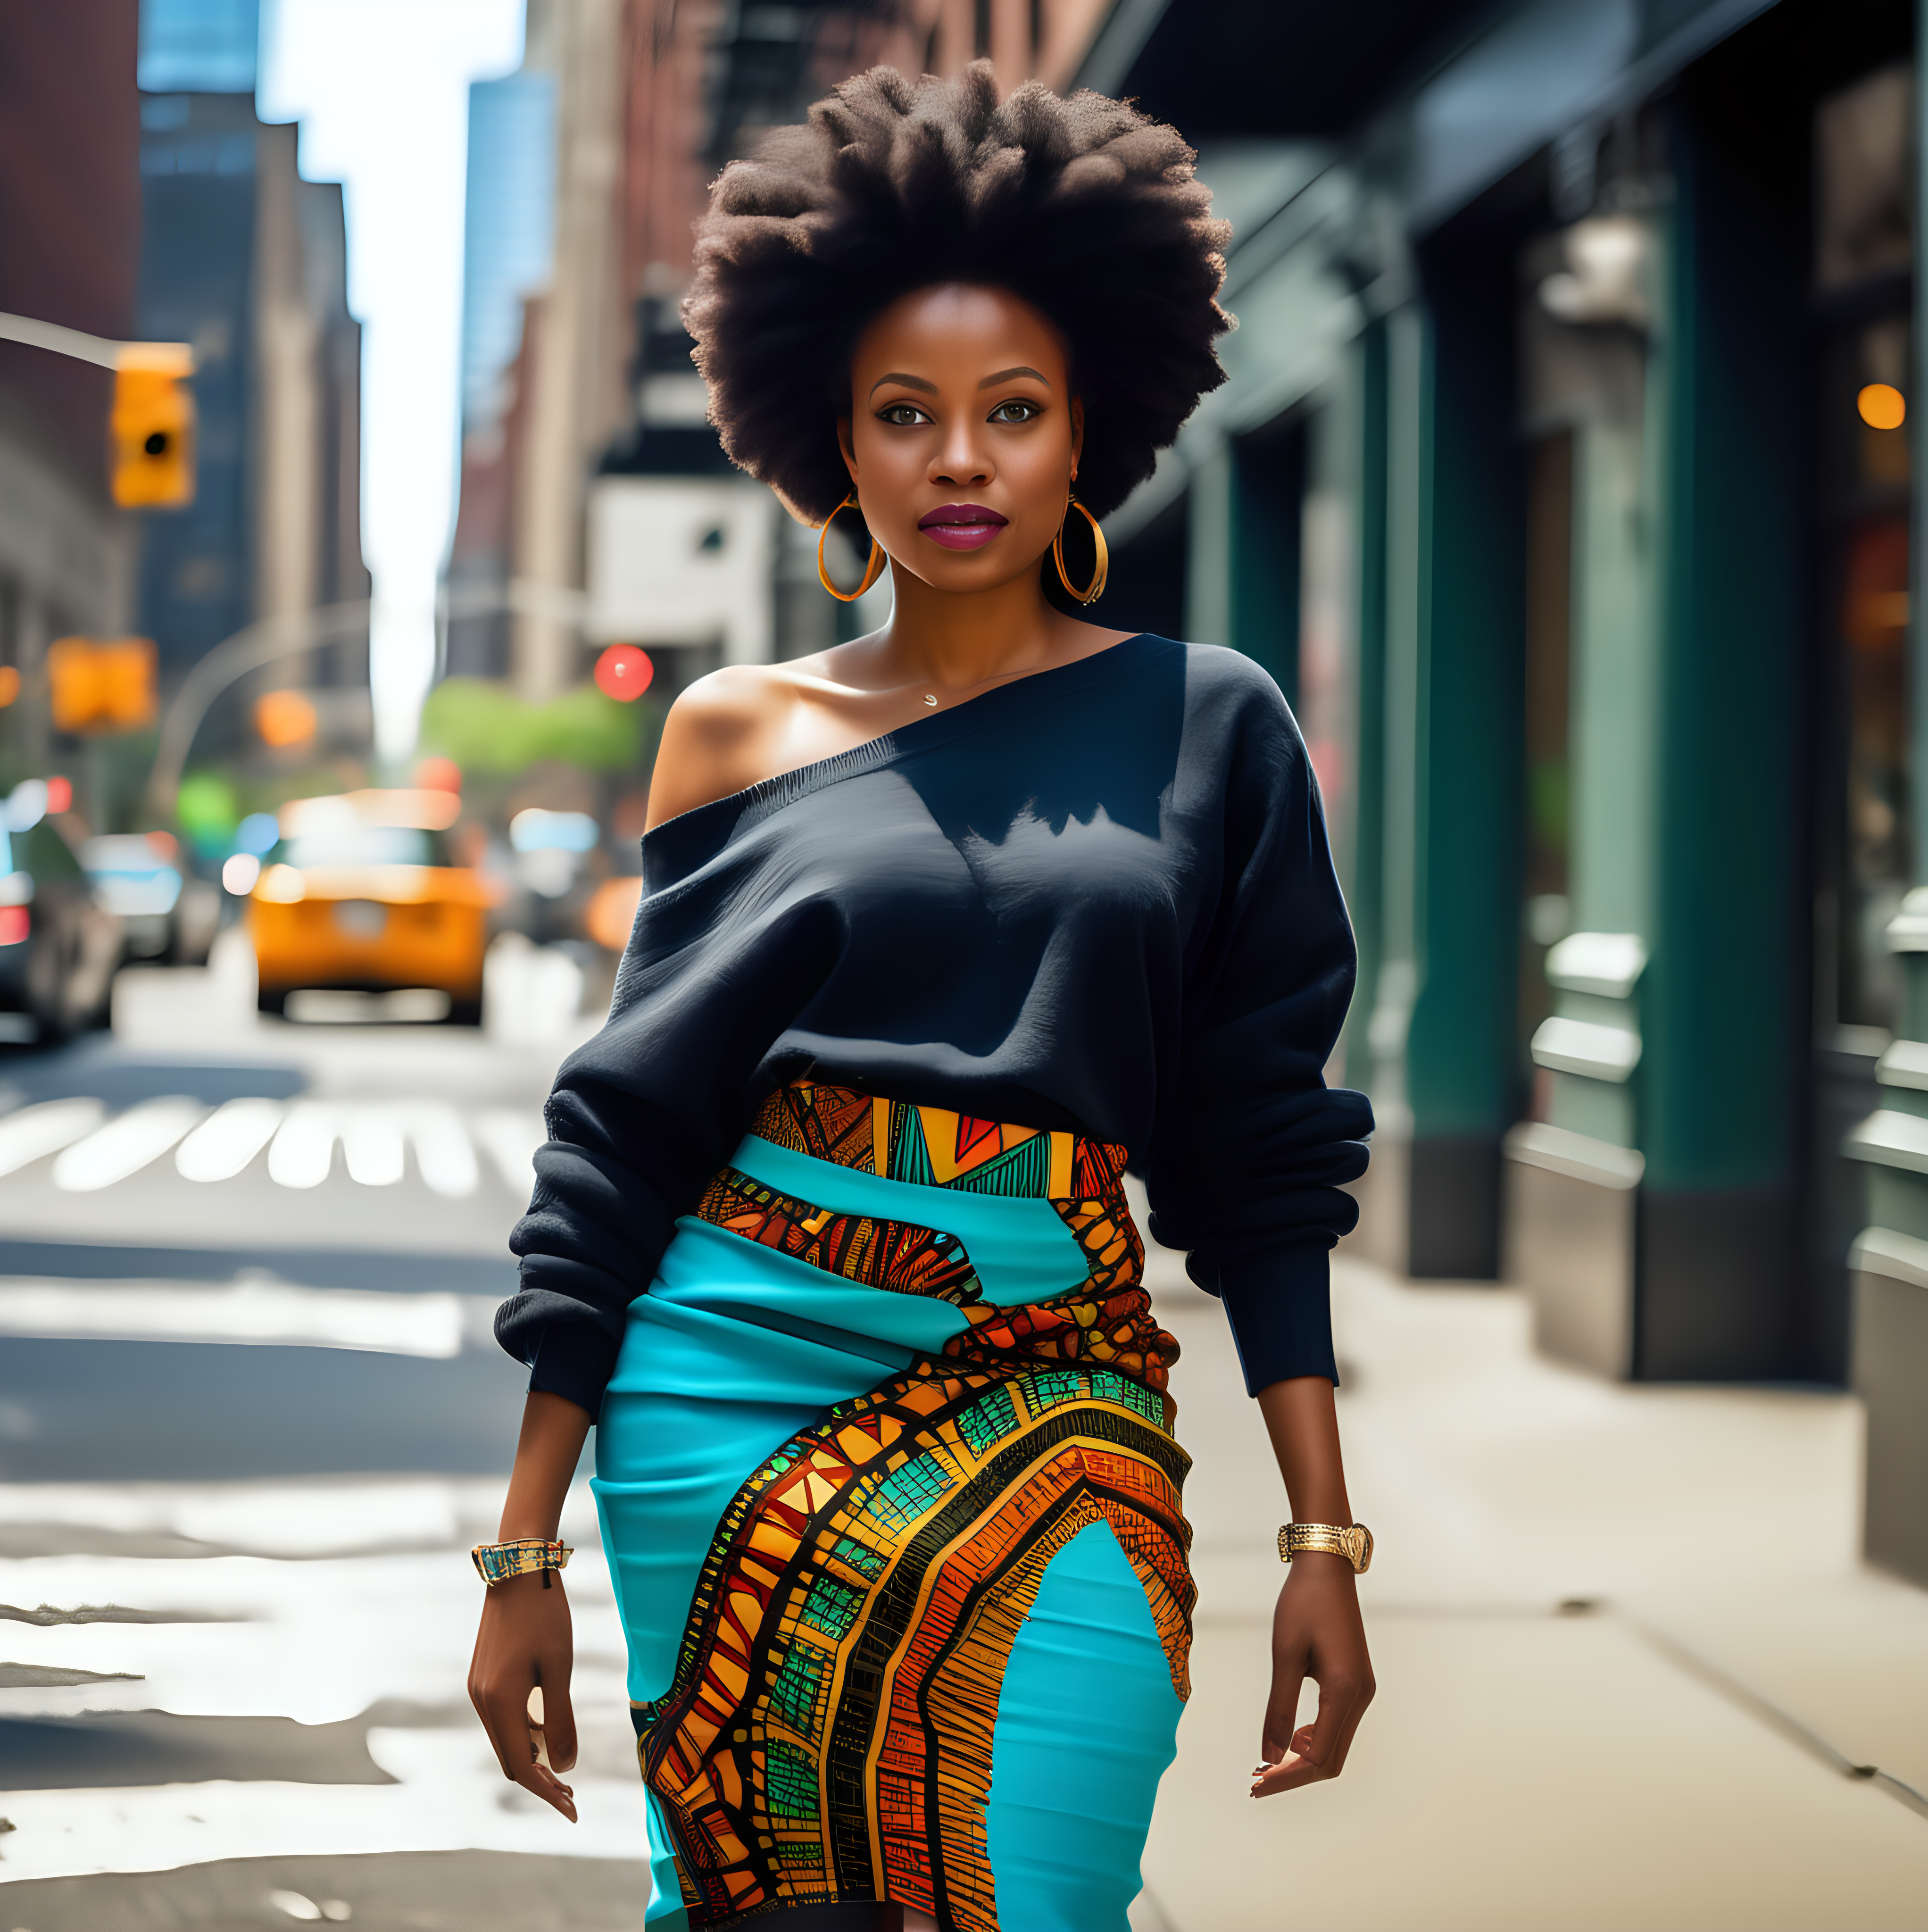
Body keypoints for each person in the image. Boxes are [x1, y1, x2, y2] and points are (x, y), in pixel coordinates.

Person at [468, 61, 1376, 1932]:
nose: (960, 460)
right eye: (909, 415)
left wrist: (1321, 1534)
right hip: (719, 1388)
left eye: (1011, 412)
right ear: (837, 442)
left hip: (1056, 1388)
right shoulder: (736, 732)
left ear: (1082, 435)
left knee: (1043, 1897)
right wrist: (519, 1543)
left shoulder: (1214, 725)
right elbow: (623, 1135)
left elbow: (1259, 1156)